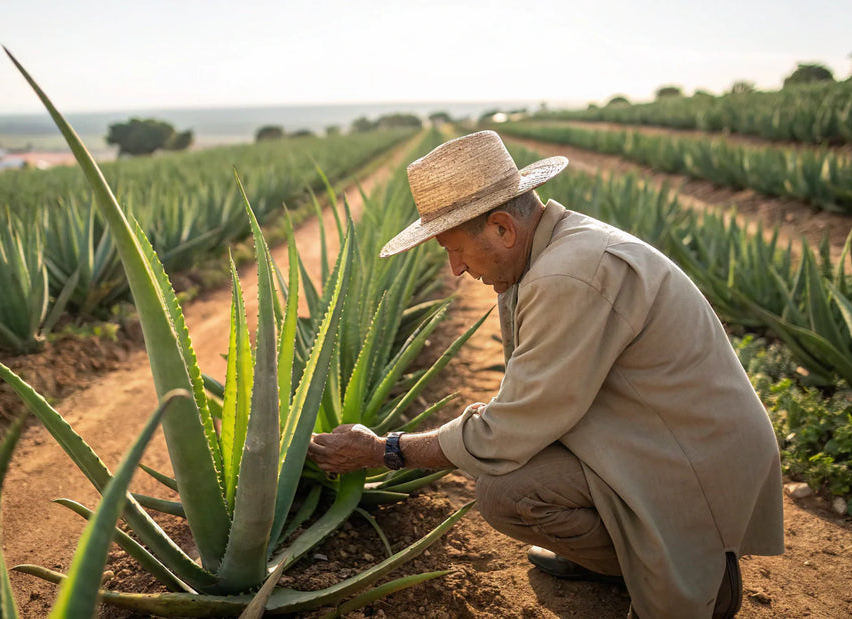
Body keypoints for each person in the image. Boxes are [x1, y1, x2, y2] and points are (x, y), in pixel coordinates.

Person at [307, 130, 784, 618]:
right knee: (510, 480)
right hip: (651, 432)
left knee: (509, 492)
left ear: (502, 229)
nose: (454, 270)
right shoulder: (548, 252)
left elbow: (507, 432)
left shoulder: (567, 275)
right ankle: (622, 560)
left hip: (689, 457)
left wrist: (384, 451)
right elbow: (529, 397)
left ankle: (698, 570)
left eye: (455, 249)